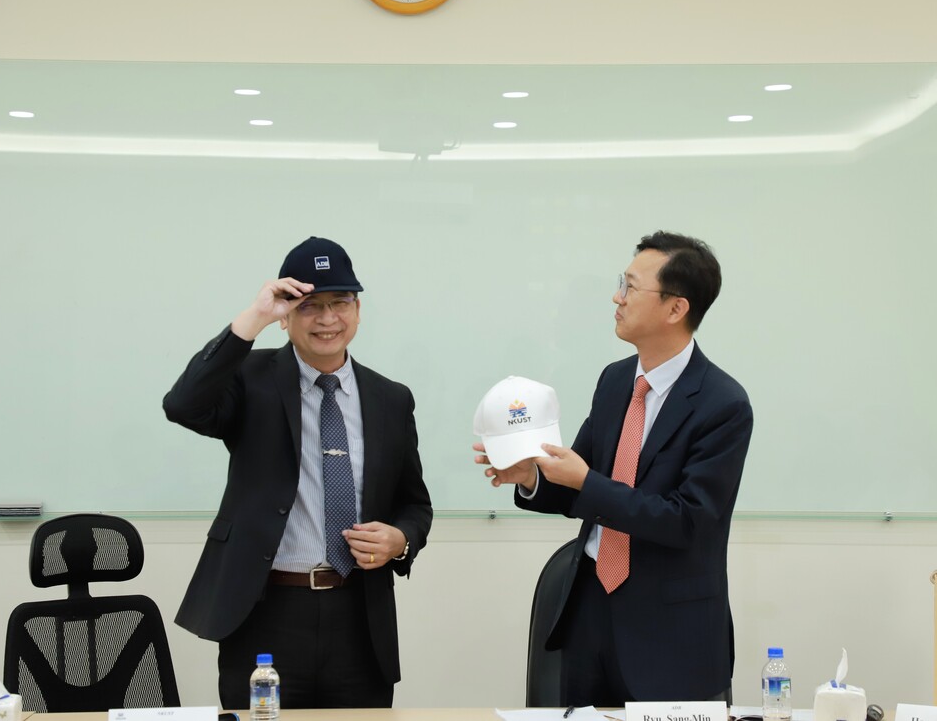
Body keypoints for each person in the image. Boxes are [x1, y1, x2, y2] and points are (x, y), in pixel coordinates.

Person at [475, 231, 753, 705]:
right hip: (589, 616)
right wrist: (531, 478)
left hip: (671, 633)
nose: (616, 297)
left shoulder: (723, 404)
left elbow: (686, 521)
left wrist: (585, 481)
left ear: (675, 308)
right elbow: (580, 488)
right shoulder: (615, 380)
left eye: (629, 287)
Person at [164, 236, 432, 710]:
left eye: (340, 303)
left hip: (359, 617)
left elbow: (415, 503)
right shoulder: (250, 378)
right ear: (285, 315)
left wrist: (400, 539)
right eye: (309, 306)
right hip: (266, 615)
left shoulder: (391, 398)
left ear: (358, 309)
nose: (328, 319)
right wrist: (254, 317)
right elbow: (183, 404)